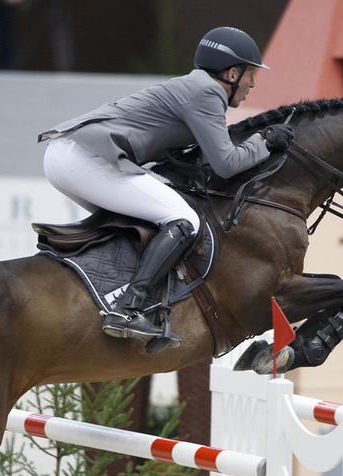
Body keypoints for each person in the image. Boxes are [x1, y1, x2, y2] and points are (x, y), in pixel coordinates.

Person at [38, 26, 294, 349]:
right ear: (232, 73)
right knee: (185, 220)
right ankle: (128, 308)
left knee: (149, 222)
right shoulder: (207, 92)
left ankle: (121, 296)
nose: (253, 84)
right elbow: (226, 163)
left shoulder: (193, 87)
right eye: (251, 75)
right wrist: (264, 141)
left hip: (68, 155)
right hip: (86, 157)